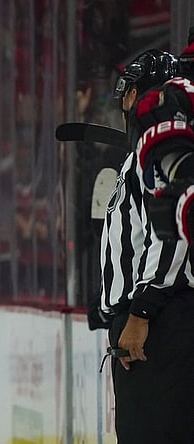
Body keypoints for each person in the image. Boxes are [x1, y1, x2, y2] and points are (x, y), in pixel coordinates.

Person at [99, 49, 194, 443]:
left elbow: (171, 232)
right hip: (156, 317)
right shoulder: (147, 150)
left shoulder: (158, 146)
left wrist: (141, 311)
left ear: (136, 93)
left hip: (159, 321)